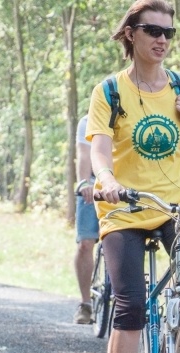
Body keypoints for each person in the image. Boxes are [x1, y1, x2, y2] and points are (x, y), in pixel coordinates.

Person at [86, 0, 180, 353]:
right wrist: (106, 178)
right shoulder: (110, 90)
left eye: (168, 33)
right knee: (130, 304)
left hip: (174, 205)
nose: (161, 39)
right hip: (124, 209)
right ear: (131, 34)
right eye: (153, 30)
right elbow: (99, 146)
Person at [73, 114, 100, 325]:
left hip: (122, 187)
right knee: (85, 244)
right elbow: (83, 155)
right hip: (93, 187)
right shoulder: (86, 122)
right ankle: (85, 304)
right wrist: (83, 183)